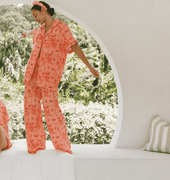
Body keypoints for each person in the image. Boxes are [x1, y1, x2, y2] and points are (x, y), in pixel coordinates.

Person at [21, 1, 99, 154]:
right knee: (31, 112)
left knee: (52, 112)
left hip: (49, 78)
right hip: (31, 75)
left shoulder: (61, 28)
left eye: (36, 15)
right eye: (33, 16)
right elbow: (33, 31)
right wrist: (26, 33)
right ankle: (35, 146)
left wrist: (90, 67)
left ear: (44, 10)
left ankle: (62, 146)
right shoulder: (39, 30)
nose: (35, 18)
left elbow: (74, 46)